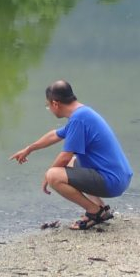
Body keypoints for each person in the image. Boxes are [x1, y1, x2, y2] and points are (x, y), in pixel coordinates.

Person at [10, 80, 133, 230]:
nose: (49, 108)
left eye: (48, 105)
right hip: (119, 176)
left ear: (55, 104)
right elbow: (54, 135)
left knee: (54, 174)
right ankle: (102, 208)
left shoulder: (78, 119)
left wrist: (48, 177)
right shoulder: (82, 113)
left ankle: (94, 212)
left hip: (112, 181)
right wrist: (29, 149)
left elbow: (65, 156)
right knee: (71, 163)